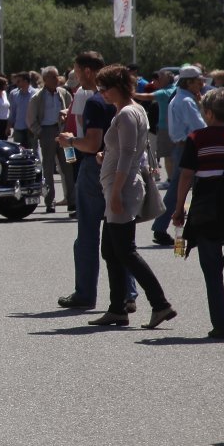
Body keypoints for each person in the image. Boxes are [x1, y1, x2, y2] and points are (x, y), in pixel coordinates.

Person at [86, 64, 175, 329]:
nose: (102, 92)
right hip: (120, 185)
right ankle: (118, 308)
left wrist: (116, 192)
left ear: (119, 87)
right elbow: (129, 151)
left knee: (125, 250)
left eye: (105, 88)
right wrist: (105, 157)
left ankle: (160, 304)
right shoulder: (134, 110)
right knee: (111, 250)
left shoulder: (126, 113)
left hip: (122, 188)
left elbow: (127, 155)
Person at [57, 52, 134, 311]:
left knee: (88, 234)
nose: (76, 76)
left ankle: (85, 293)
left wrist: (70, 141)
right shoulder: (123, 103)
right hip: (120, 167)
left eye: (77, 71)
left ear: (88, 71)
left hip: (95, 167)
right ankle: (128, 294)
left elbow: (92, 144)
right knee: (120, 235)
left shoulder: (94, 102)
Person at [170, 87, 224, 339]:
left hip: (207, 210)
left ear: (209, 113)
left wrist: (179, 208)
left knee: (211, 267)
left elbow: (186, 175)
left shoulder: (197, 138)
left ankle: (220, 324)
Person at [157, 65, 206, 245]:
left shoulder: (180, 98)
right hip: (188, 147)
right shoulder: (186, 101)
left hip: (182, 147)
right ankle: (184, 229)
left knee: (177, 190)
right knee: (186, 190)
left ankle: (162, 226)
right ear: (189, 82)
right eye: (198, 81)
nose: (201, 84)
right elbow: (200, 128)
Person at [28, 66, 73, 214]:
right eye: (53, 77)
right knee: (48, 169)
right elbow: (31, 119)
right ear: (45, 79)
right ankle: (50, 202)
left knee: (69, 165)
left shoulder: (64, 93)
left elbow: (72, 110)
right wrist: (40, 132)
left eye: (57, 76)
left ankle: (72, 201)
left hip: (64, 132)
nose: (56, 79)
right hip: (47, 132)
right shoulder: (37, 97)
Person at [8, 73, 35, 146]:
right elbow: (12, 112)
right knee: (18, 149)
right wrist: (8, 126)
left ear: (25, 81)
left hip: (32, 129)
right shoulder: (14, 94)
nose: (16, 83)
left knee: (33, 150)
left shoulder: (36, 93)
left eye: (18, 81)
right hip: (18, 128)